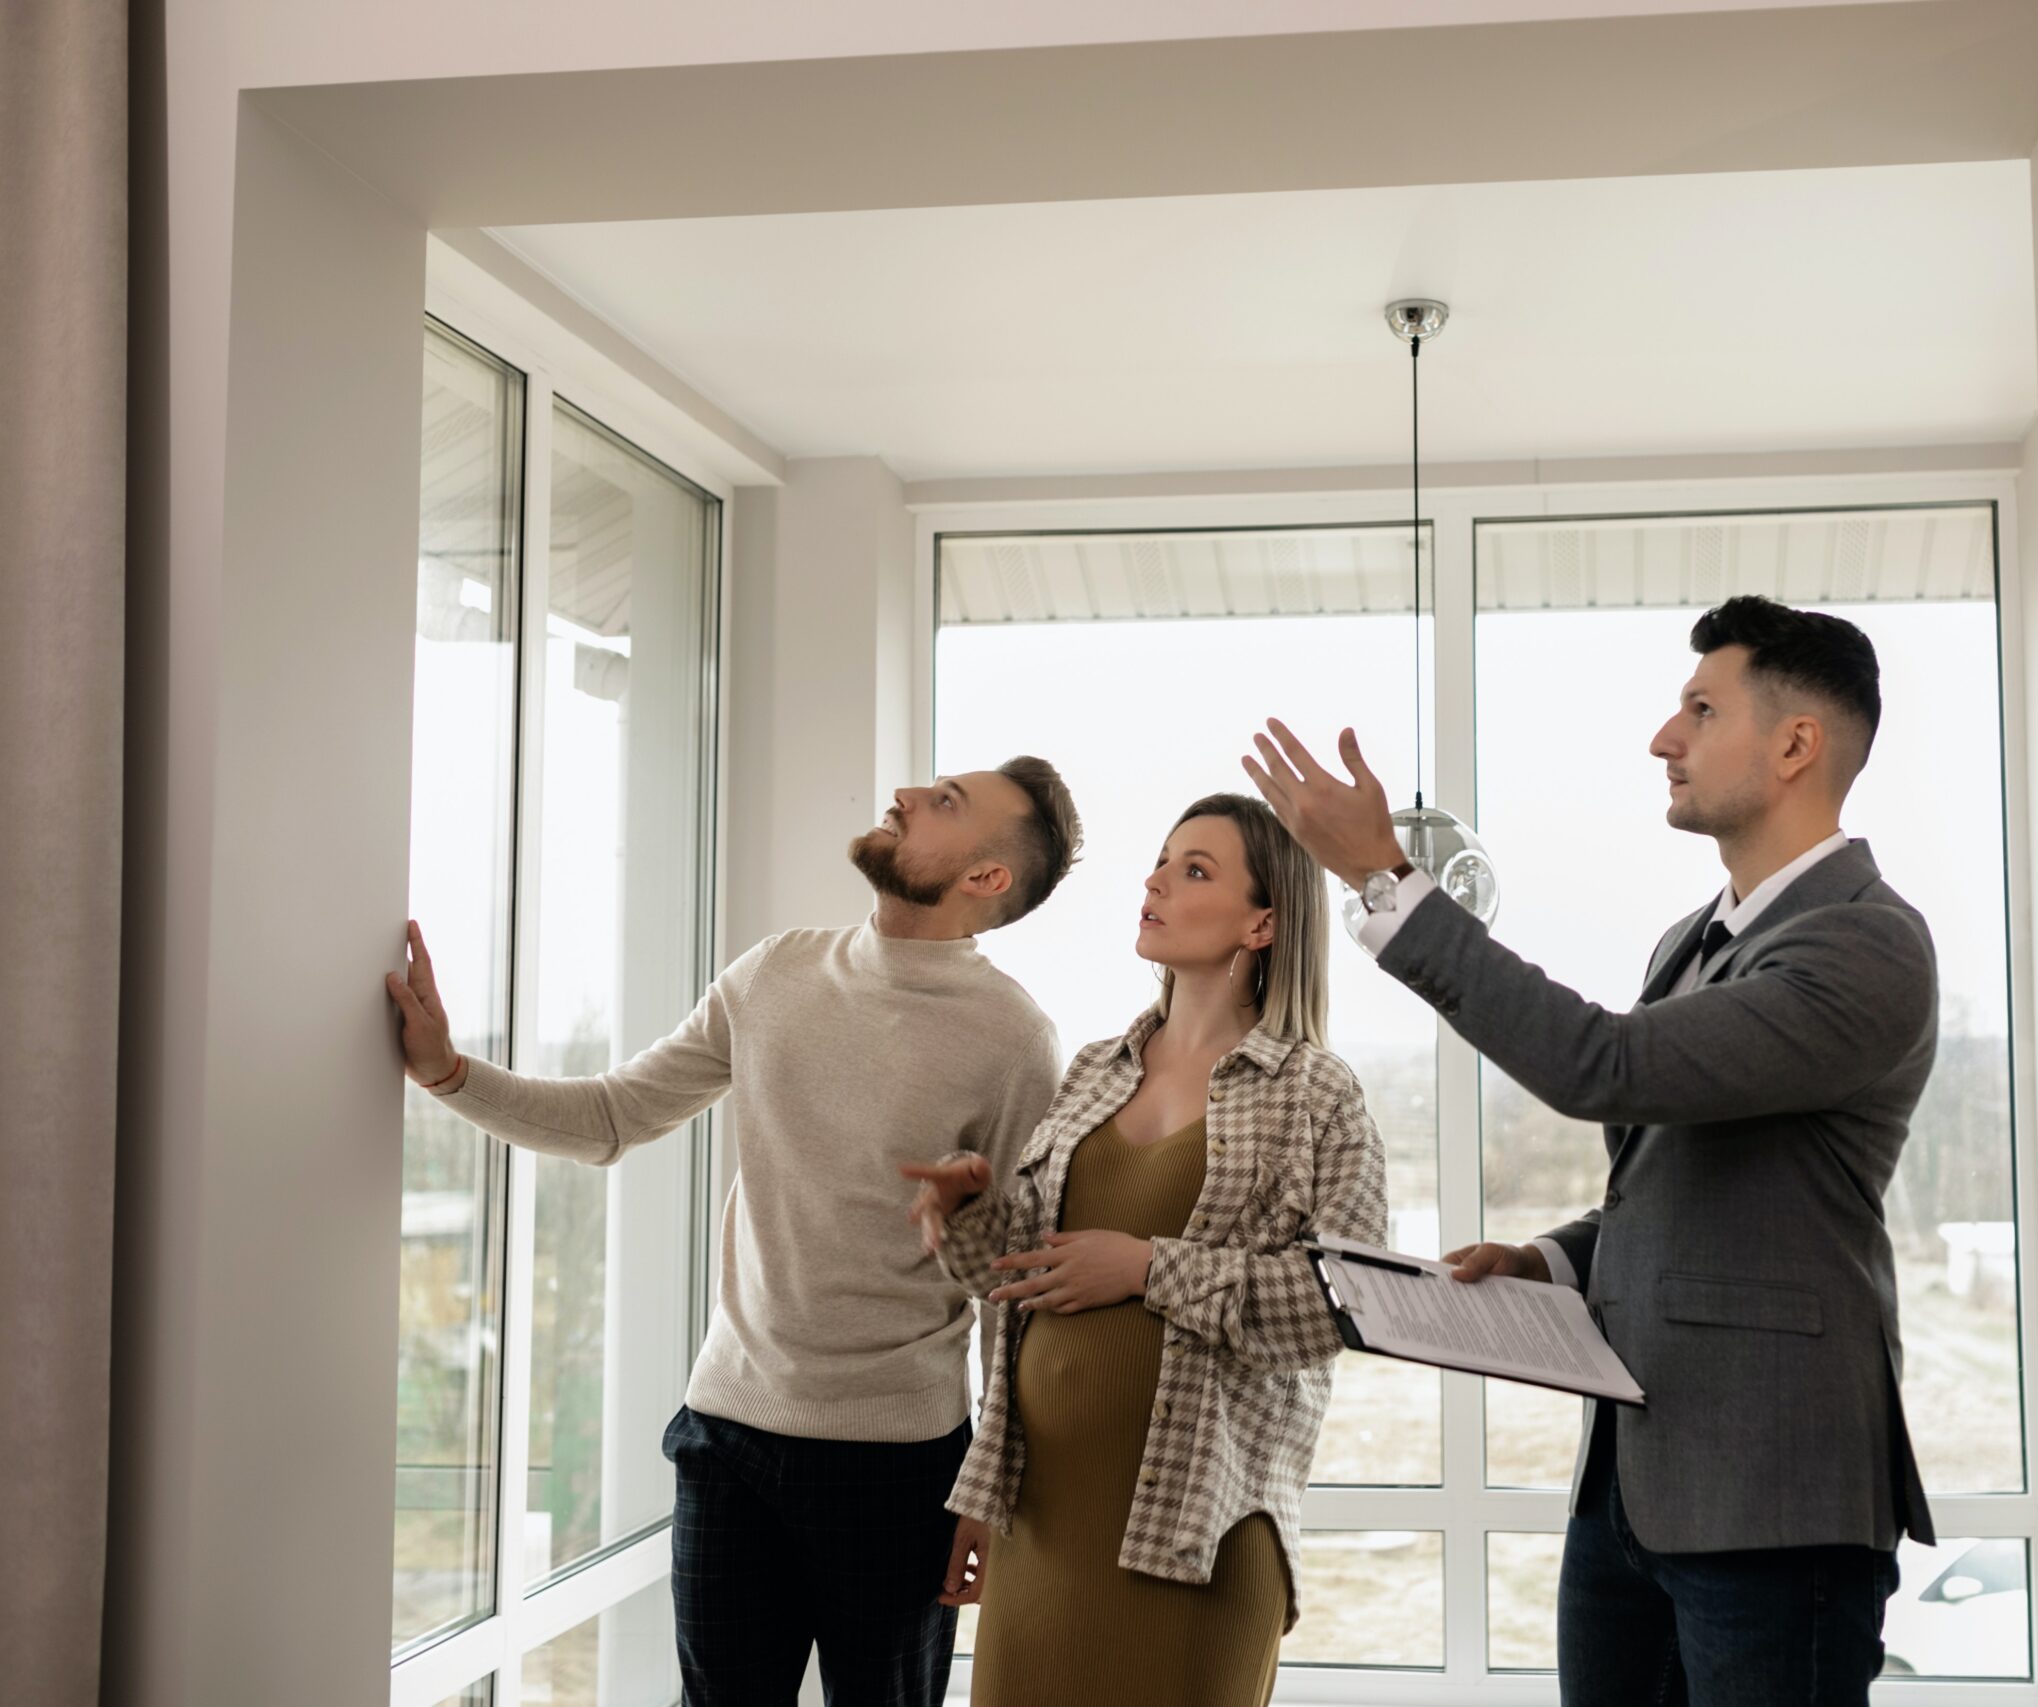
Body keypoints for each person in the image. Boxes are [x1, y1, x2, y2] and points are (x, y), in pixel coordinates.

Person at [1245, 595, 1939, 1707]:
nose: (1664, 737)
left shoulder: (1866, 943)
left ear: (1796, 743)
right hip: (1631, 1488)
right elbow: (1686, 1179)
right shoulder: (1693, 940)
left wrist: (1387, 882)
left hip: (1773, 1501)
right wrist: (1553, 1262)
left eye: (1699, 709)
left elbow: (1601, 1068)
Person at [384, 760, 1082, 1707]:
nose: (909, 793)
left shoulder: (1014, 1041)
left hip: (899, 1462)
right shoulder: (776, 971)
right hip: (727, 1436)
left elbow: (1012, 1289)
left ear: (987, 877)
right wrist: (448, 1073)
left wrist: (988, 1494)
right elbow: (616, 1113)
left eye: (946, 803)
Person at [900, 792, 1386, 1707]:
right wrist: (971, 1217)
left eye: (1194, 869)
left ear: (1264, 920)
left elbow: (1346, 1303)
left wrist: (1146, 1267)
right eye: (1162, 860)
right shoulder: (1094, 1068)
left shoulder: (1318, 1095)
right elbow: (1022, 1280)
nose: (1157, 879)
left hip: (1194, 1543)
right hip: (1039, 1528)